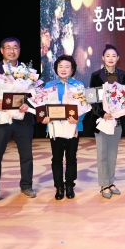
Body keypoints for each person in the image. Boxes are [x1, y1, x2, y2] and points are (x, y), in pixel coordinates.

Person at [0, 37, 36, 207]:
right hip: (0, 119)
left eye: (15, 47)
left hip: (23, 119)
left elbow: (37, 93)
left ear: (20, 50)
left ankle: (26, 186)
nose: (12, 51)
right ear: (1, 50)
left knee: (26, 156)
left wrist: (28, 104)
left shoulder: (28, 71)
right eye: (8, 48)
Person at [42, 55, 86, 200]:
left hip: (73, 127)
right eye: (60, 66)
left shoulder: (78, 85)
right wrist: (44, 116)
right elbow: (42, 105)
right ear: (56, 69)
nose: (63, 69)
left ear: (72, 69)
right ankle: (59, 187)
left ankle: (69, 186)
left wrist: (78, 119)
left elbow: (84, 106)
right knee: (57, 158)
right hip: (55, 127)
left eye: (67, 67)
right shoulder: (49, 86)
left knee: (71, 157)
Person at [89, 44, 125, 199]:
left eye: (114, 56)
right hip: (102, 121)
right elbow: (92, 99)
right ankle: (104, 184)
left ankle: (111, 182)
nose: (111, 59)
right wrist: (102, 113)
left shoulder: (123, 75)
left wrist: (119, 111)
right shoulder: (95, 75)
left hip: (117, 120)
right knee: (102, 153)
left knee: (112, 153)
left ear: (118, 58)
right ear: (103, 58)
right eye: (108, 56)